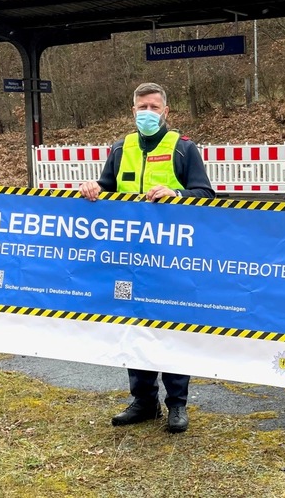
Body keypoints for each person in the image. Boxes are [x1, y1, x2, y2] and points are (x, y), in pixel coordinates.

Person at [79, 82, 215, 433]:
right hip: (129, 259)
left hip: (171, 261)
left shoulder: (184, 149)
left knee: (171, 329)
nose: (148, 113)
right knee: (134, 328)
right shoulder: (120, 148)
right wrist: (93, 188)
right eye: (142, 108)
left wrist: (178, 193)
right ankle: (143, 400)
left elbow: (207, 195)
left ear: (166, 112)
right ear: (133, 111)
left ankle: (177, 404)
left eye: (154, 107)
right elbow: (106, 190)